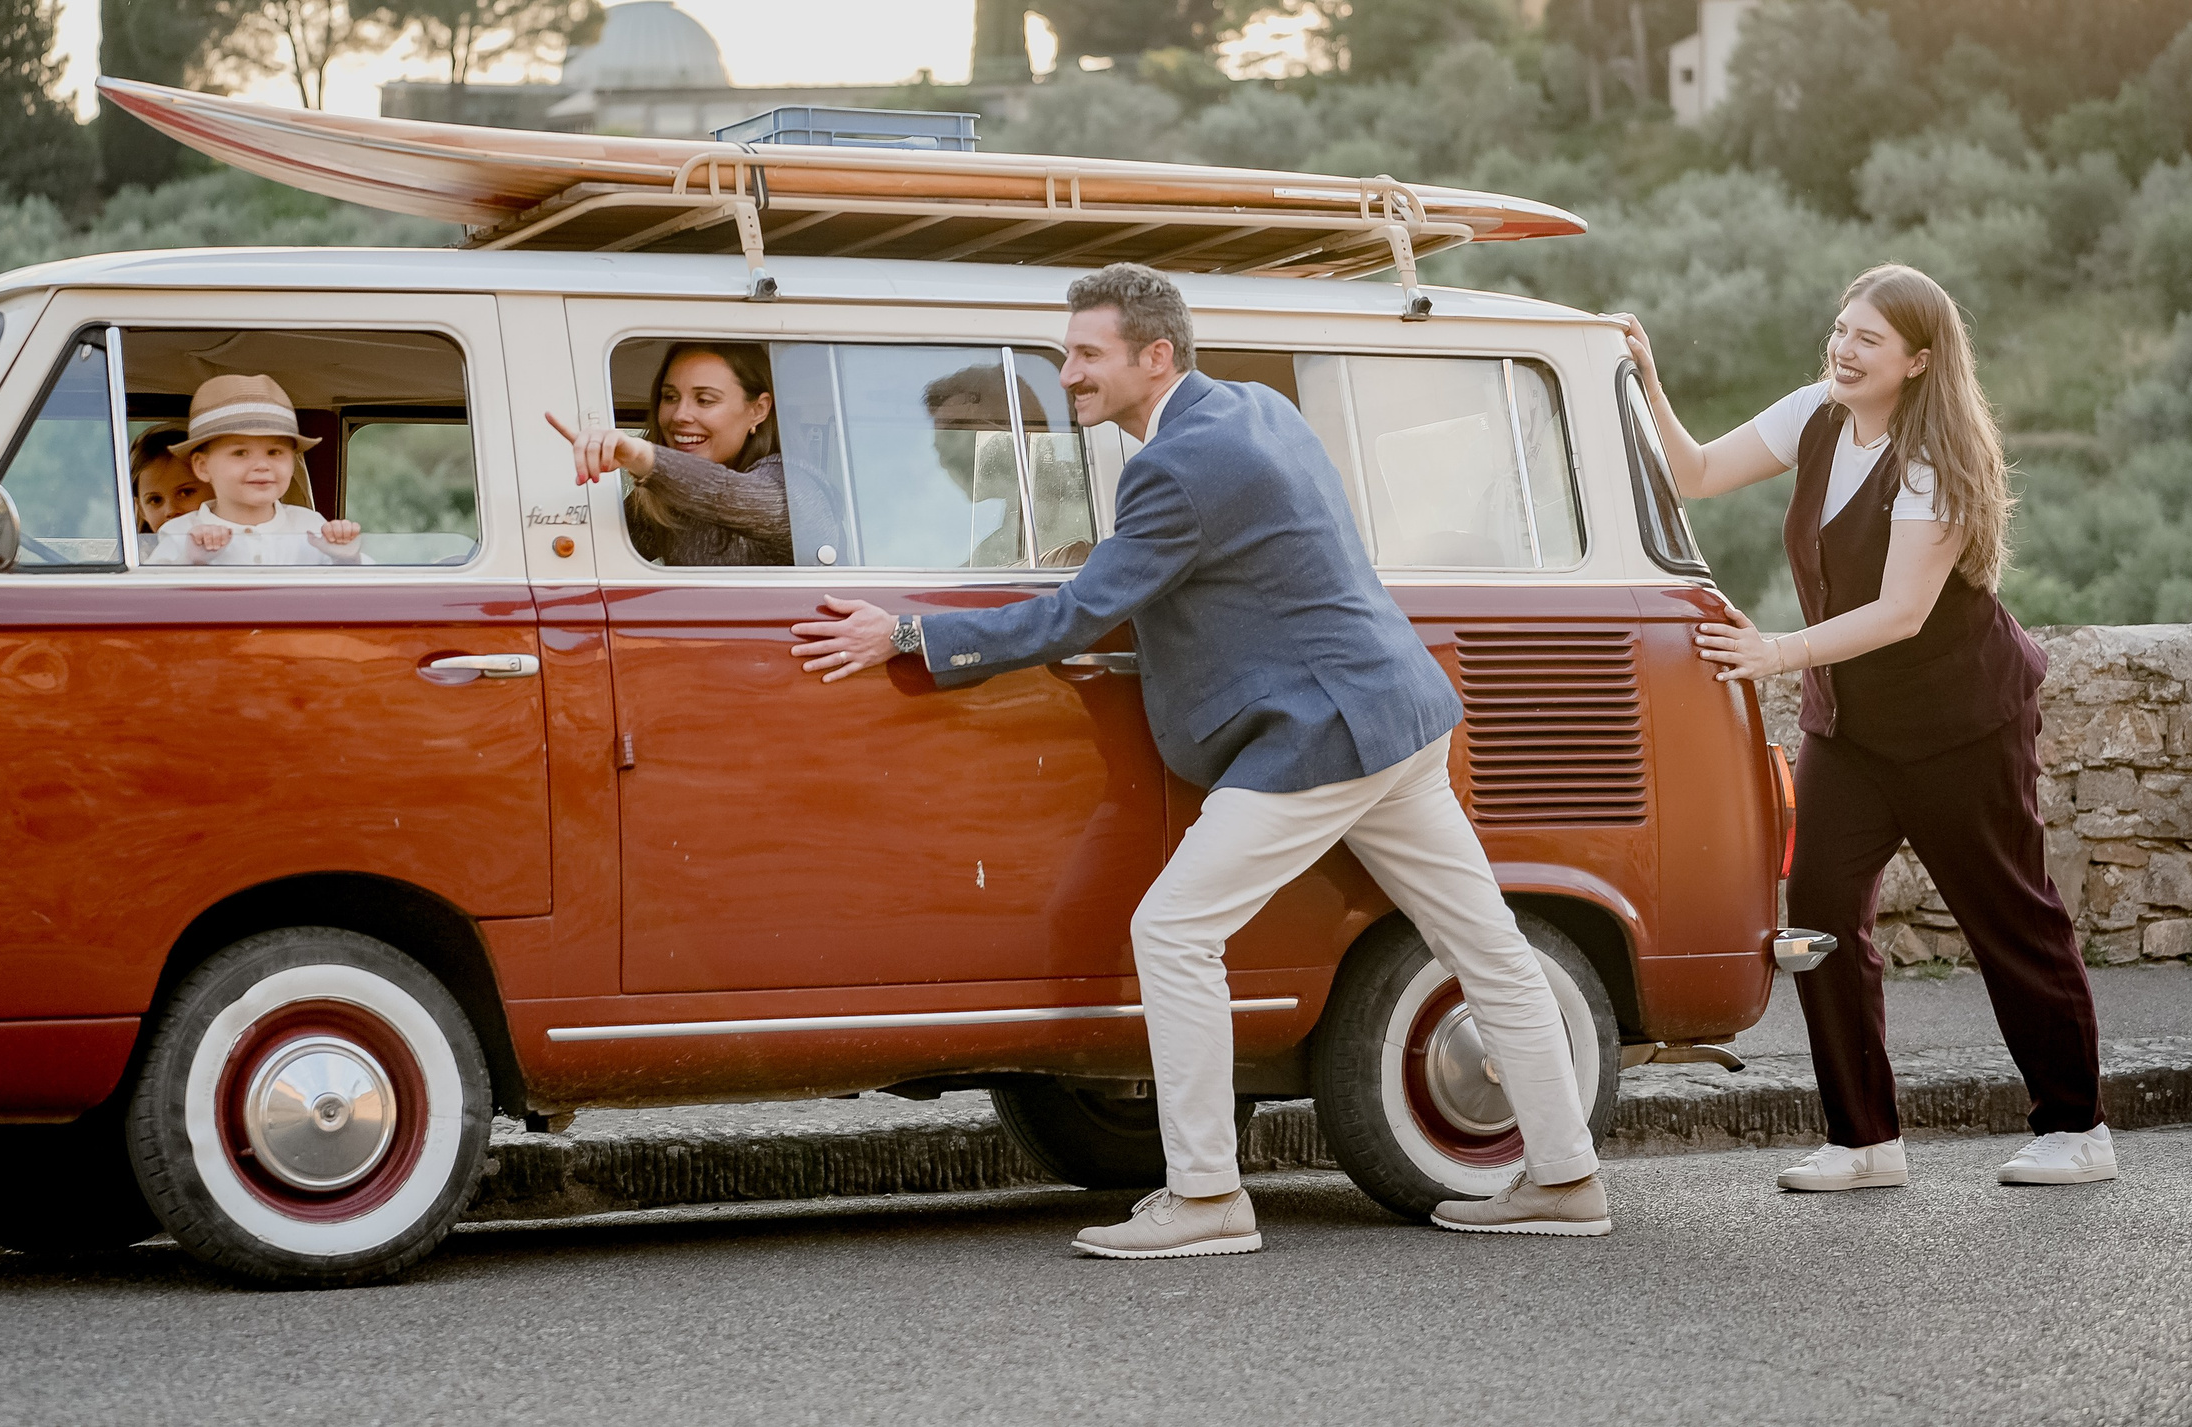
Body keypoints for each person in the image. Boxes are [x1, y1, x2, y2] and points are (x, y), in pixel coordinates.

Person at [788, 263, 1608, 1256]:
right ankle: (1565, 1176)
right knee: (1486, 949)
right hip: (1399, 713)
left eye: (1086, 354)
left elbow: (1079, 614)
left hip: (1320, 736)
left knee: (1174, 932)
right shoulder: (1254, 408)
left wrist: (906, 634)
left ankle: (1209, 1196)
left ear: (1154, 356)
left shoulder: (1173, 468)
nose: (1067, 372)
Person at [1619, 264, 2111, 1192]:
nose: (1843, 349)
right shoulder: (1816, 414)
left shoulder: (1932, 463)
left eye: (1868, 339)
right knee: (1819, 911)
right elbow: (1695, 472)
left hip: (1962, 724)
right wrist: (1645, 375)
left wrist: (1777, 651)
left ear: (1917, 360)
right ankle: (1863, 1140)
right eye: (1841, 329)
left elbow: (1900, 612)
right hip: (1852, 726)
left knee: (2010, 916)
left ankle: (2076, 1127)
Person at [547, 343, 794, 567]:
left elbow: (736, 496)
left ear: (758, 410)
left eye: (705, 400)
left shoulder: (789, 483)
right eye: (670, 397)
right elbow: (593, 555)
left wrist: (644, 457)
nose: (679, 415)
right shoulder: (662, 496)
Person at [146, 374, 366, 567]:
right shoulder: (180, 532)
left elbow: (359, 593)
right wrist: (190, 561)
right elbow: (151, 595)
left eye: (274, 452)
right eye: (240, 453)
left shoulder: (310, 525)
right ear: (202, 467)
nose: (262, 465)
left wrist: (346, 558)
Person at [129, 427, 211, 539]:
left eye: (185, 493)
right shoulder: (134, 550)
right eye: (155, 500)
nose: (171, 510)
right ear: (142, 510)